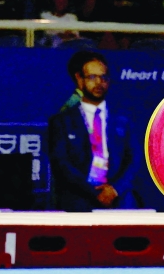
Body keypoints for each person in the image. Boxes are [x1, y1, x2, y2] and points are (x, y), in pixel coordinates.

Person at [48, 51, 135, 211]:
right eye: (92, 77)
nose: (99, 83)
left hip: (118, 200)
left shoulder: (123, 119)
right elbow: (61, 165)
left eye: (103, 77)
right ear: (79, 80)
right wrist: (95, 193)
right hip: (78, 200)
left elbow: (134, 160)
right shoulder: (61, 121)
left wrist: (114, 190)